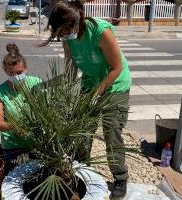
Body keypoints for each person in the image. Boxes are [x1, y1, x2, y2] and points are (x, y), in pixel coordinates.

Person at [41, 0, 132, 198]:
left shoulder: (101, 31)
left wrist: (97, 94)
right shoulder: (68, 38)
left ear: (74, 23)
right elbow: (70, 74)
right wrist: (43, 87)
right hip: (90, 84)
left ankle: (120, 177)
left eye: (63, 31)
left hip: (115, 84)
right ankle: (83, 170)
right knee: (82, 130)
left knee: (112, 132)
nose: (62, 37)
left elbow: (116, 68)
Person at [0, 43, 42, 173]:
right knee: (16, 178)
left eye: (19, 72)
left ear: (25, 68)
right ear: (6, 71)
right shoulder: (0, 92)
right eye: (12, 74)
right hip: (12, 146)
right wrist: (15, 127)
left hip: (36, 143)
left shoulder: (36, 83)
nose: (16, 77)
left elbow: (45, 110)